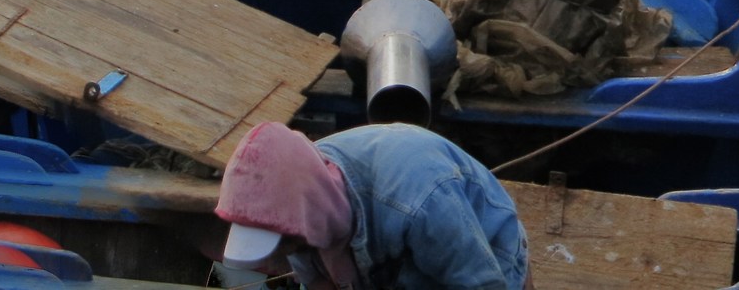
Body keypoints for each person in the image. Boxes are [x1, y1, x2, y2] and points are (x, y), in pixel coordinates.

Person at [215, 120, 527, 290]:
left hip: (486, 255)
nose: (279, 256)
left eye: (284, 244)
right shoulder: (297, 201)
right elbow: (317, 280)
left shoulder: (420, 200)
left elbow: (483, 285)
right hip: (390, 256)